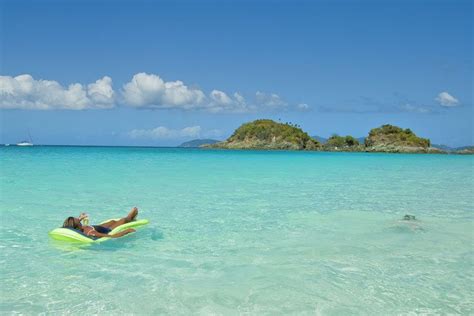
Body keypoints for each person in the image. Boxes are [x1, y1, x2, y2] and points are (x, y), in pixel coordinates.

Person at [62, 207, 139, 238]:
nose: (79, 220)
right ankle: (131, 218)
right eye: (78, 221)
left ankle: (129, 219)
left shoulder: (79, 227)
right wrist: (127, 231)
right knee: (123, 220)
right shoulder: (91, 232)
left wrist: (80, 218)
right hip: (107, 230)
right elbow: (111, 236)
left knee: (112, 221)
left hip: (99, 227)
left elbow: (75, 223)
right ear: (77, 225)